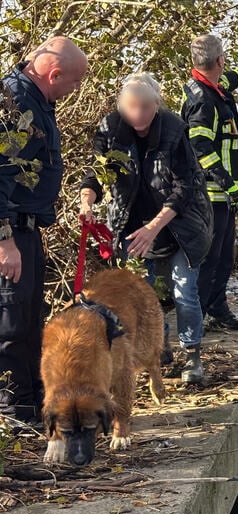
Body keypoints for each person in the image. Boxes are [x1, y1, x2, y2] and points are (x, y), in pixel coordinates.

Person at [79, 73, 213, 384]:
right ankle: (159, 347)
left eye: (145, 107)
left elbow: (185, 188)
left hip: (181, 224)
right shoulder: (109, 129)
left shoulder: (175, 130)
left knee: (184, 293)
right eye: (131, 107)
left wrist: (154, 227)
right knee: (144, 296)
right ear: (121, 106)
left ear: (157, 105)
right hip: (132, 225)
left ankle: (192, 355)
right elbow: (97, 175)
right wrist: (87, 202)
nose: (138, 114)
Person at [0, 36, 87, 426]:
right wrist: (5, 242)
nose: (75, 91)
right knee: (12, 322)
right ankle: (13, 411)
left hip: (26, 228)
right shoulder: (17, 104)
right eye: (74, 83)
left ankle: (34, 406)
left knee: (32, 320)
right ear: (54, 74)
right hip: (10, 231)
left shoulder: (38, 101)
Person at [181, 34, 238, 331]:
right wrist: (228, 184)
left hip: (223, 195)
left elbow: (231, 79)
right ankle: (199, 317)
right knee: (212, 260)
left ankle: (217, 307)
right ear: (219, 60)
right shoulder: (205, 102)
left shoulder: (210, 87)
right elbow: (199, 148)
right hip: (212, 195)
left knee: (222, 258)